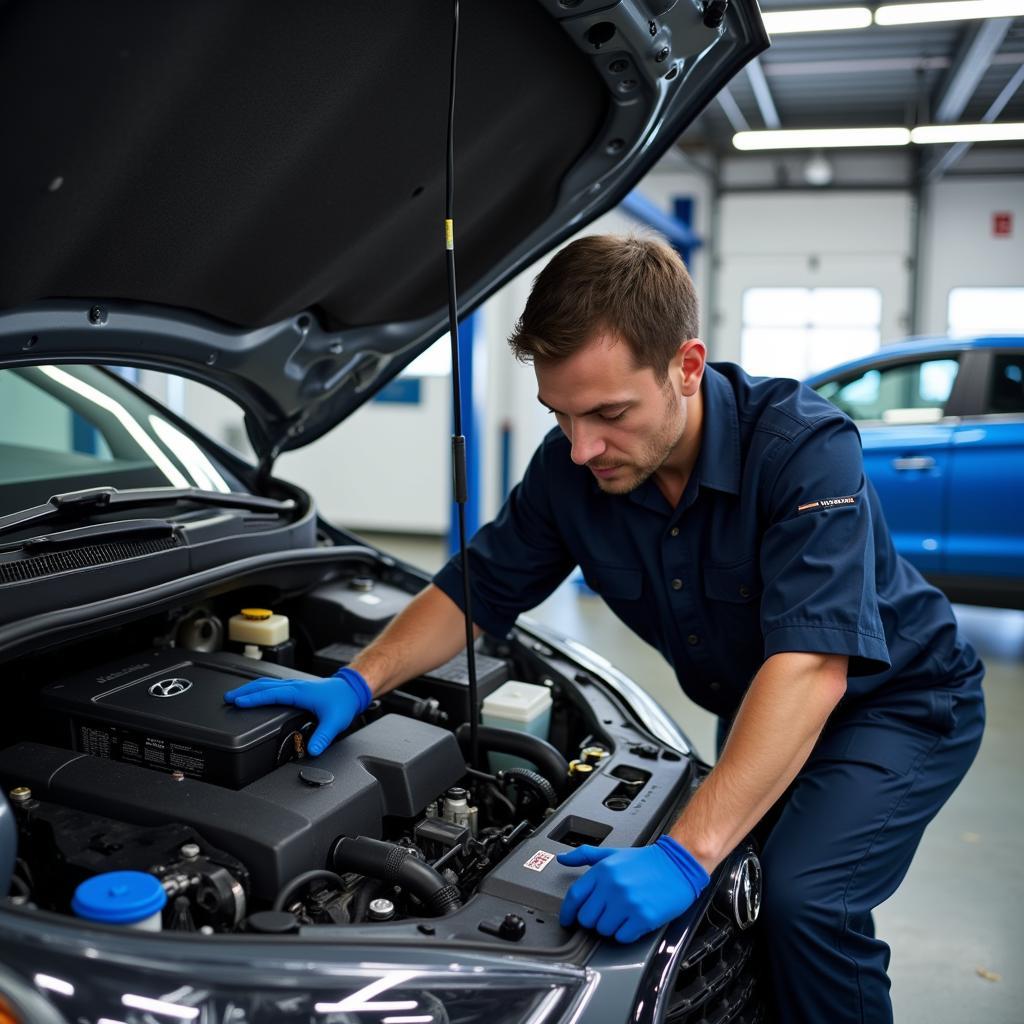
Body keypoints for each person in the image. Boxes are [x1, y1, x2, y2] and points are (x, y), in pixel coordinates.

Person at [225, 235, 985, 1023]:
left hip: (897, 701)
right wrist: (359, 679)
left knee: (804, 899)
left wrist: (684, 854)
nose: (583, 447)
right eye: (561, 414)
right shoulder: (570, 470)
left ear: (686, 368)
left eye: (609, 414)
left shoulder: (802, 450)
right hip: (759, 702)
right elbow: (475, 592)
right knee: (739, 892)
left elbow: (811, 667)